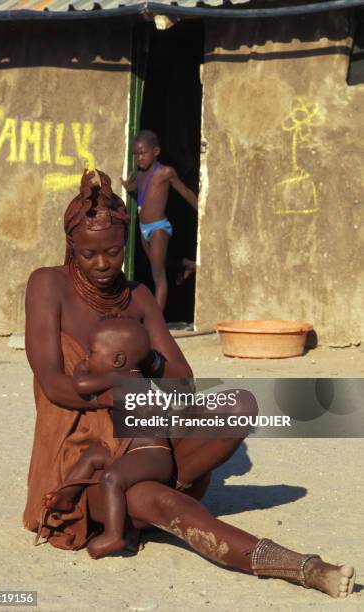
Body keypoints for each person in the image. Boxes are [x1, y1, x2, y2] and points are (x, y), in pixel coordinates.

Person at [24, 168, 355, 599]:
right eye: (89, 254)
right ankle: (303, 568)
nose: (103, 264)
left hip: (146, 439)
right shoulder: (47, 285)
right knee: (166, 505)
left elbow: (183, 382)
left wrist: (143, 356)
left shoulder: (138, 297)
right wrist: (124, 391)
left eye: (113, 252)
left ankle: (155, 485)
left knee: (240, 404)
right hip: (87, 459)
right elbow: (54, 384)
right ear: (72, 246)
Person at [41, 316, 173, 559]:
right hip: (130, 450)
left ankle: (114, 535)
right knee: (95, 453)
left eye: (91, 352)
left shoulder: (124, 378)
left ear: (118, 360)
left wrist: (80, 366)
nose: (87, 357)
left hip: (152, 455)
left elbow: (81, 384)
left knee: (112, 477)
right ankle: (67, 496)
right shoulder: (129, 376)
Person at [121, 130, 197, 311]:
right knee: (159, 263)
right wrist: (129, 188)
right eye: (136, 154)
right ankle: (188, 265)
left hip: (159, 228)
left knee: (158, 275)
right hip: (143, 228)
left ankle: (156, 323)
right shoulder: (140, 175)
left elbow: (186, 192)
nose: (139, 158)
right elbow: (142, 195)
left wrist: (202, 212)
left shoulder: (165, 172)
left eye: (143, 153)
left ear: (156, 151)